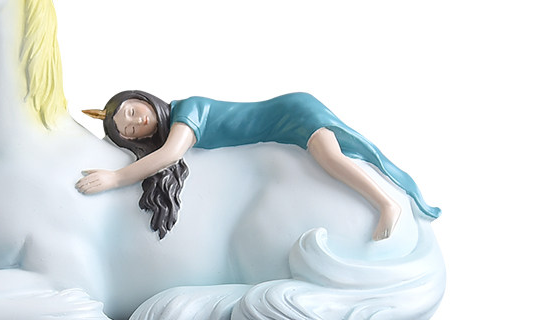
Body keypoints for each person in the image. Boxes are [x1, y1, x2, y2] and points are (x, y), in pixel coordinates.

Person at [75, 90, 440, 241]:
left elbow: (170, 154)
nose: (137, 122)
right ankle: (386, 203)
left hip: (291, 113)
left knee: (330, 157)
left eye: (132, 112)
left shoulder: (187, 110)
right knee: (334, 155)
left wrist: (117, 178)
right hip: (282, 125)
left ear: (143, 98)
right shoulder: (178, 121)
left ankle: (387, 204)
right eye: (130, 131)